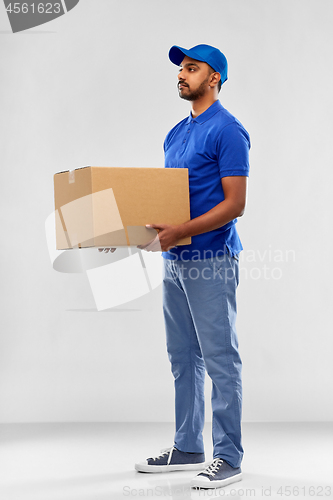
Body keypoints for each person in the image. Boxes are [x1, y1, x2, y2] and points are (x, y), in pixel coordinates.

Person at [135, 44, 250, 489]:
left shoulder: (228, 130)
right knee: (183, 357)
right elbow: (173, 199)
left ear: (214, 78)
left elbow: (235, 204)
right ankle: (187, 446)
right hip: (174, 259)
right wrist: (152, 228)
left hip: (212, 260)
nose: (182, 74)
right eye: (181, 68)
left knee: (220, 360)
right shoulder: (174, 133)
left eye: (192, 68)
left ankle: (229, 456)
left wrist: (180, 227)